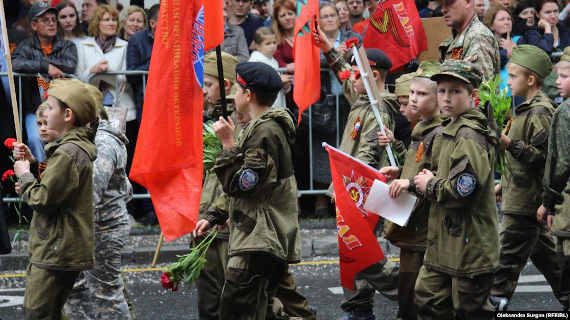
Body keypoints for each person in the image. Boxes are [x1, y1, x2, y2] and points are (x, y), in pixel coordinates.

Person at [194, 62, 303, 319]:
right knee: (261, 310)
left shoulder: (265, 132)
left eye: (239, 89)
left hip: (258, 236)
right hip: (256, 234)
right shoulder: (261, 127)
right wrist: (215, 217)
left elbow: (244, 185)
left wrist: (228, 144)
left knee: (237, 310)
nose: (235, 96)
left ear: (249, 95)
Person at [315, 26, 399, 320]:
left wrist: (351, 188)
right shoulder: (363, 99)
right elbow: (344, 73)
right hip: (350, 188)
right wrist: (327, 47)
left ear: (372, 76)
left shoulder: (380, 109)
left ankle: (409, 290)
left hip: (360, 190)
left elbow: (368, 154)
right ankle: (359, 309)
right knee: (351, 251)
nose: (350, 78)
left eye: (356, 73)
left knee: (361, 251)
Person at [413, 59, 499, 319]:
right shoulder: (449, 129)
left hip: (469, 246)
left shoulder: (469, 135)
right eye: (441, 90)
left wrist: (431, 184)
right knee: (427, 298)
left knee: (470, 311)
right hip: (445, 242)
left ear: (472, 96)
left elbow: (464, 191)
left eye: (455, 91)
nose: (446, 98)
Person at [14, 78, 98, 320]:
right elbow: (56, 188)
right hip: (58, 247)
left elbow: (44, 200)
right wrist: (31, 166)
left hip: (55, 249)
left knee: (37, 314)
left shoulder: (68, 153)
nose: (45, 115)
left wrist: (26, 176)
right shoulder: (70, 149)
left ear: (68, 115)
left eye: (50, 108)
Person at [490, 45, 563, 311]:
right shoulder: (525, 109)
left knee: (504, 263)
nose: (508, 82)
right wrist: (503, 184)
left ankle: (495, 305)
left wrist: (508, 143)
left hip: (526, 203)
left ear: (531, 80)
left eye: (513, 76)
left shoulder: (540, 112)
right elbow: (522, 162)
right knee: (550, 261)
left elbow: (543, 159)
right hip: (519, 196)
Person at [380, 61, 443, 320]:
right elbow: (419, 164)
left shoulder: (439, 132)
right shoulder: (422, 129)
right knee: (408, 295)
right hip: (413, 227)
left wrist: (410, 182)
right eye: (412, 95)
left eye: (421, 94)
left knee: (418, 298)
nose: (413, 101)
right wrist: (401, 174)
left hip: (425, 229)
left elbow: (440, 176)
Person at [63, 88, 133, 319]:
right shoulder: (89, 137)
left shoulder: (102, 143)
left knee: (105, 295)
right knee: (76, 289)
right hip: (88, 227)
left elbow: (89, 193)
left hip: (102, 228)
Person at [12, 2, 78, 163]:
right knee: (35, 139)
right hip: (35, 108)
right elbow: (15, 63)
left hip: (62, 108)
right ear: (34, 25)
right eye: (45, 20)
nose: (51, 23)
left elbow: (69, 64)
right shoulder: (25, 46)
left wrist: (37, 64)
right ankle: (44, 176)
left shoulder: (67, 45)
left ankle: (59, 177)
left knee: (64, 141)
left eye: (53, 19)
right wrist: (45, 66)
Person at [537, 46, 570, 311]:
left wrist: (548, 201)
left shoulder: (566, 111)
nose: (557, 82)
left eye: (565, 75)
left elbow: (562, 162)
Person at [439, 0, 500, 81]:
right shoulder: (457, 37)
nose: (443, 10)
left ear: (468, 2)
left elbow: (483, 89)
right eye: (441, 5)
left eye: (449, 3)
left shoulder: (479, 37)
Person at [249, 27, 289, 109]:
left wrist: (286, 86)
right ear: (257, 46)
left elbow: (279, 87)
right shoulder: (255, 61)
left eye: (274, 42)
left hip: (277, 104)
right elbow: (258, 84)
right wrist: (278, 80)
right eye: (268, 43)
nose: (272, 46)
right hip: (263, 106)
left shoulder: (274, 61)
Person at [272, 0, 296, 70]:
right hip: (286, 77)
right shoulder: (274, 38)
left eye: (290, 14)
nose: (287, 18)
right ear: (277, 20)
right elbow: (276, 62)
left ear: (296, 15)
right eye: (283, 16)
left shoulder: (306, 34)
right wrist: (286, 67)